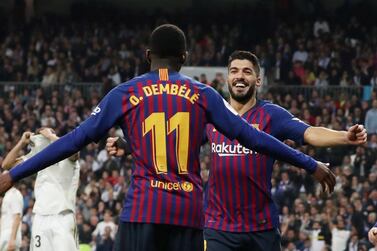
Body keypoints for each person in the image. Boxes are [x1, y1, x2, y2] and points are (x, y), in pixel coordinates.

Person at [0, 24, 335, 251]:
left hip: (142, 212)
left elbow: (73, 140)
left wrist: (13, 174)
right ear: (185, 59)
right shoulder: (203, 95)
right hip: (188, 215)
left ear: (148, 56)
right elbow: (256, 138)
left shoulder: (125, 93)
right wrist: (310, 164)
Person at [106, 50, 365, 251]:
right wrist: (128, 146)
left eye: (247, 71)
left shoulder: (271, 115)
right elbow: (174, 136)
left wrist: (345, 137)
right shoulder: (211, 112)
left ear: (258, 79)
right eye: (234, 71)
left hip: (261, 227)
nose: (240, 76)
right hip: (218, 229)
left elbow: (309, 133)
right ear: (227, 77)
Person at [2, 128, 80, 251]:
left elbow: (75, 153)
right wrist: (22, 143)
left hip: (62, 215)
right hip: (40, 217)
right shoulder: (37, 158)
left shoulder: (66, 150)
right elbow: (6, 165)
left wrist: (50, 136)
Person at [0, 180, 23, 251]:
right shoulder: (7, 195)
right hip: (5, 236)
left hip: (10, 236)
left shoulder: (14, 194)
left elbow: (17, 216)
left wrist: (12, 239)